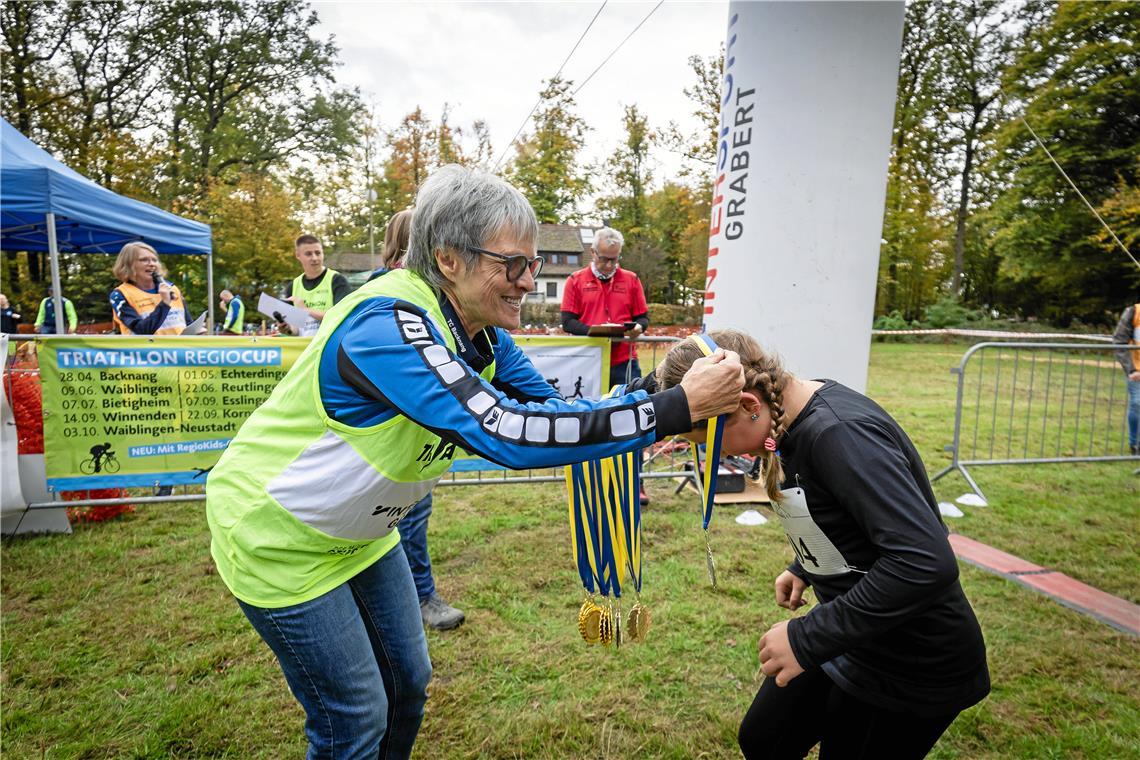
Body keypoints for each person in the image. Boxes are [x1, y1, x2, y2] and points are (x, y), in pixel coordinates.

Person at [205, 165, 744, 759]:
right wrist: (671, 410)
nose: (527, 281)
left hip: (362, 535)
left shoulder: (484, 334)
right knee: (355, 717)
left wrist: (657, 391)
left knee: (409, 686)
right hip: (280, 537)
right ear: (449, 260)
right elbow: (508, 433)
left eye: (534, 264)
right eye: (512, 264)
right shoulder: (385, 324)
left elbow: (558, 412)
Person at [657, 328, 990, 760]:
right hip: (854, 632)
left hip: (911, 660)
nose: (714, 458)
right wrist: (804, 565)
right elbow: (850, 511)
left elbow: (924, 559)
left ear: (747, 406)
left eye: (710, 443)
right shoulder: (787, 415)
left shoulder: (839, 433)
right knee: (764, 738)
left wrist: (808, 638)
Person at [369, 209, 464, 630]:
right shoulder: (387, 296)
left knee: (411, 518)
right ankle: (420, 598)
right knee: (402, 522)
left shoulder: (440, 301)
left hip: (416, 446)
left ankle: (413, 598)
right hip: (386, 445)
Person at [560, 227, 651, 504]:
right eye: (604, 259)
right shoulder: (576, 280)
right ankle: (590, 483)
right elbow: (567, 321)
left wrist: (637, 327)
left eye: (614, 259)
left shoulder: (631, 280)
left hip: (625, 362)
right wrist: (594, 331)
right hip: (590, 366)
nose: (610, 265)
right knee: (589, 422)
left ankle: (636, 484)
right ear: (593, 253)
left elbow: (643, 318)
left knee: (635, 420)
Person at [109, 242, 191, 336]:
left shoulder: (172, 289)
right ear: (128, 265)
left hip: (177, 350)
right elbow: (143, 330)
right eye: (144, 260)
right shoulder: (120, 295)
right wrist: (164, 303)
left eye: (154, 260)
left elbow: (187, 323)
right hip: (145, 350)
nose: (152, 264)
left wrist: (198, 331)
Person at [283, 234, 350, 336]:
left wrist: (305, 310)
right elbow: (295, 330)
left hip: (329, 347)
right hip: (305, 349)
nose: (314, 258)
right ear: (298, 255)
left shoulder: (337, 280)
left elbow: (340, 316)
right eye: (308, 254)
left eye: (318, 253)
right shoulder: (292, 286)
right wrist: (287, 329)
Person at [1112, 302, 1140, 456]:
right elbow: (1119, 341)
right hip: (1137, 370)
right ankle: (1134, 444)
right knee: (1137, 403)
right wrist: (1131, 370)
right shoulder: (1133, 312)